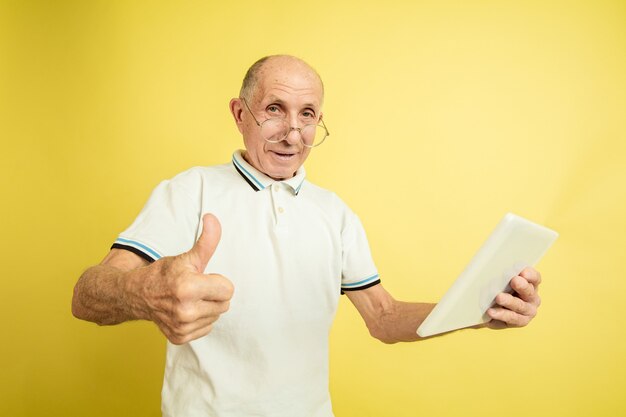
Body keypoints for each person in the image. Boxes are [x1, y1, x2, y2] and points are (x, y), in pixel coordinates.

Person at [72, 55, 542, 417]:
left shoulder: (334, 213)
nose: (292, 133)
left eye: (308, 114)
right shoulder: (189, 190)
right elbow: (86, 296)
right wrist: (143, 293)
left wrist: (478, 309)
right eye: (274, 109)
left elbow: (384, 317)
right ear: (239, 113)